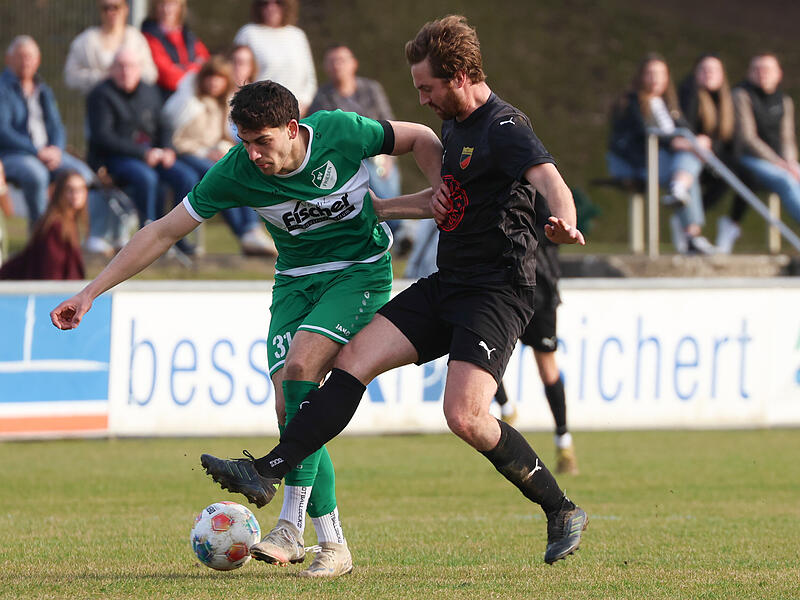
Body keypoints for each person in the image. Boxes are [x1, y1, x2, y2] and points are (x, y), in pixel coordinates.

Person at [199, 15, 588, 566]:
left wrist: (564, 221)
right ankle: (266, 471)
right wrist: (379, 208)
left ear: (458, 77)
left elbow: (549, 179)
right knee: (351, 361)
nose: (422, 100)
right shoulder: (455, 126)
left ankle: (561, 508)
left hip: (497, 291)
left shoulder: (504, 126)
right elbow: (445, 200)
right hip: (448, 283)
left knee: (465, 417)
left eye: (426, 88)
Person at [50, 80, 443, 577]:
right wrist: (90, 292)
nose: (253, 154)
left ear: (293, 129)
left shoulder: (342, 131)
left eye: (263, 142)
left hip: (358, 272)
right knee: (290, 405)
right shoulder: (236, 170)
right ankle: (333, 544)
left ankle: (289, 527)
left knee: (300, 367)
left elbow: (421, 136)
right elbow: (163, 231)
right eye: (244, 141)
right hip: (294, 283)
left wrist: (443, 188)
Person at [404, 193, 579, 475]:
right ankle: (507, 408)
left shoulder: (539, 185)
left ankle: (563, 441)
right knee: (478, 354)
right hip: (497, 291)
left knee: (547, 369)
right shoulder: (493, 183)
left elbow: (552, 232)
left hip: (539, 289)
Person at [87, 47, 199, 254]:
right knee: (146, 177)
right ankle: (148, 239)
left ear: (139, 69)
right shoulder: (100, 95)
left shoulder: (150, 91)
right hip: (115, 158)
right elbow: (103, 137)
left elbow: (164, 125)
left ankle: (178, 236)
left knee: (186, 177)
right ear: (111, 70)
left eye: (130, 66)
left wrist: (167, 149)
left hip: (153, 155)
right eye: (120, 67)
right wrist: (142, 153)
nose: (126, 71)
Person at [162, 55, 276, 256]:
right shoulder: (190, 104)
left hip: (211, 153)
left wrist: (221, 149)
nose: (214, 82)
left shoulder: (223, 105)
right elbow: (178, 140)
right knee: (219, 174)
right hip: (187, 154)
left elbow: (225, 136)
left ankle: (251, 229)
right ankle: (243, 232)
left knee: (241, 167)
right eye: (210, 77)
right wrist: (206, 152)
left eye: (219, 78)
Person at [0, 36, 106, 247]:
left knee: (82, 176)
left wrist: (56, 149)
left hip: (49, 153)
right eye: (21, 56)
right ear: (8, 59)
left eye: (30, 57)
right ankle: (40, 238)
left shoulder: (43, 90)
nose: (26, 61)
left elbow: (57, 126)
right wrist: (36, 151)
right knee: (37, 175)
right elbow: (3, 131)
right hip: (14, 154)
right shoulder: (3, 89)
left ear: (38, 60)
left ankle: (77, 236)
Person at [607, 53, 715, 254]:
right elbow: (642, 135)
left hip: (661, 160)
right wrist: (678, 143)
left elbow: (683, 129)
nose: (655, 78)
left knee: (687, 167)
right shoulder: (631, 102)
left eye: (660, 74)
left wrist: (696, 140)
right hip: (636, 162)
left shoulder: (667, 103)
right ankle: (692, 233)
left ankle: (680, 195)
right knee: (687, 170)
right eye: (650, 73)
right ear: (641, 76)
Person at [309, 44, 411, 251]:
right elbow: (321, 136)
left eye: (342, 60)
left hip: (380, 152)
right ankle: (400, 229)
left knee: (382, 174)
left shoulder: (372, 89)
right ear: (326, 67)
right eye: (332, 61)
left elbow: (390, 122)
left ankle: (397, 229)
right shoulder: (322, 97)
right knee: (368, 172)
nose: (337, 66)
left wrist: (389, 157)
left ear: (353, 64)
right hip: (347, 158)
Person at [679, 54, 747, 254]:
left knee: (740, 175)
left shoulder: (726, 100)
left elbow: (730, 139)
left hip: (713, 158)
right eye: (704, 70)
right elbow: (686, 129)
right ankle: (690, 226)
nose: (709, 74)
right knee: (694, 178)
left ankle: (694, 222)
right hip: (691, 156)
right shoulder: (689, 94)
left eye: (714, 70)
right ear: (695, 73)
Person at [733, 53, 800, 231]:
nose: (762, 73)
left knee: (795, 174)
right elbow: (748, 137)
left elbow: (788, 137)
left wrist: (791, 162)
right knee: (786, 180)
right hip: (747, 158)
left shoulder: (784, 101)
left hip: (781, 161)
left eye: (767, 69)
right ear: (749, 73)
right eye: (757, 69)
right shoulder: (742, 95)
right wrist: (778, 162)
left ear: (779, 74)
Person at [233, 0, 316, 116]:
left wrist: (302, 105)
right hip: (260, 111)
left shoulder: (297, 35)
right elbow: (236, 74)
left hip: (297, 111)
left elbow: (309, 78)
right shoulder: (248, 33)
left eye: (278, 3)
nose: (271, 8)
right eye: (265, 3)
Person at [0, 170, 87, 280]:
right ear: (59, 192)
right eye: (70, 189)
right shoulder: (55, 225)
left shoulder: (72, 222)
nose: (76, 195)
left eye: (80, 189)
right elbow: (51, 272)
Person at [64, 0, 157, 96]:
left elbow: (150, 74)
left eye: (116, 7)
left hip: (131, 102)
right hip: (97, 101)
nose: (111, 12)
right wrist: (103, 77)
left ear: (126, 9)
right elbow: (70, 77)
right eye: (106, 8)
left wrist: (128, 75)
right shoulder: (85, 41)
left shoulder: (136, 39)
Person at [140, 0, 210, 99]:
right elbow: (168, 76)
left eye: (172, 4)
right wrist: (194, 68)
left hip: (191, 92)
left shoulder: (187, 34)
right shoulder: (149, 36)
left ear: (180, 7)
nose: (167, 10)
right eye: (162, 4)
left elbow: (207, 64)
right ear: (154, 7)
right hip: (165, 96)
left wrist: (183, 68)